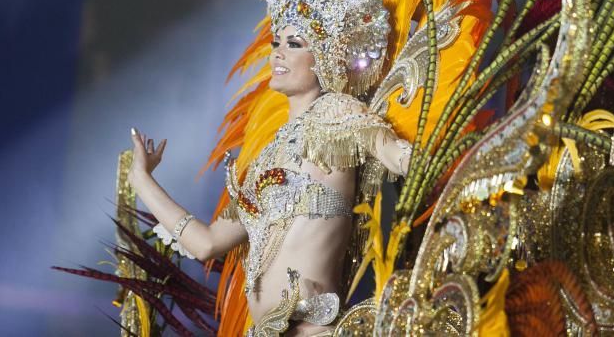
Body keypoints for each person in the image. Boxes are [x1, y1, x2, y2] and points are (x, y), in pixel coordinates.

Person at [127, 22, 411, 335]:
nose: (278, 52)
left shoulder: (336, 112)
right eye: (276, 43)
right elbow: (206, 243)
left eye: (294, 44)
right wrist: (141, 180)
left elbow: (398, 156)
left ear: (324, 56)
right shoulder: (265, 160)